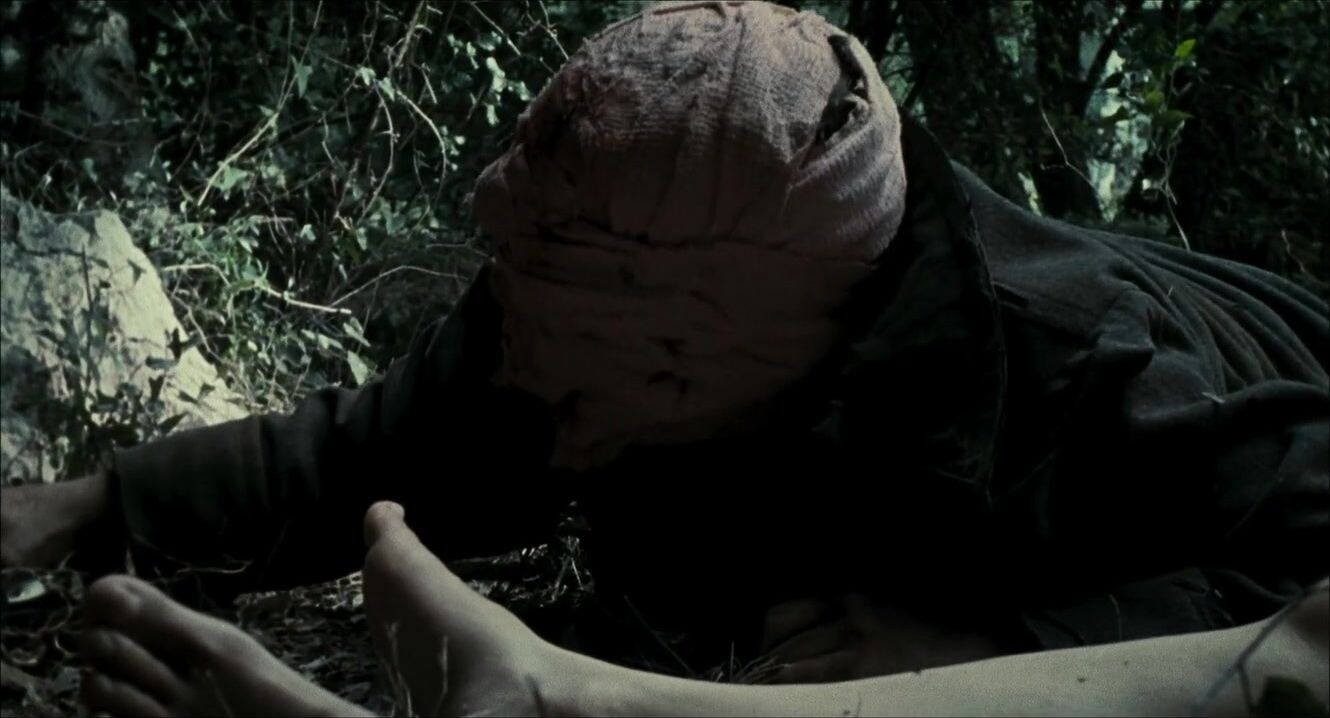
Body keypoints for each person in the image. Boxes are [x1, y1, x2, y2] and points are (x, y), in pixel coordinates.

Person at [4, 0, 1328, 686]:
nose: (517, 377)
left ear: (721, 349)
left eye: (599, 361)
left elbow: (1296, 554)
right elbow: (378, 443)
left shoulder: (1066, 369)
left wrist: (1012, 643)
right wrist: (87, 504)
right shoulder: (586, 294)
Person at [78, 502, 1330, 717]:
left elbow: (1277, 519)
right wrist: (111, 491)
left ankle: (576, 703)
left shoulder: (1059, 328)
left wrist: (1019, 641)